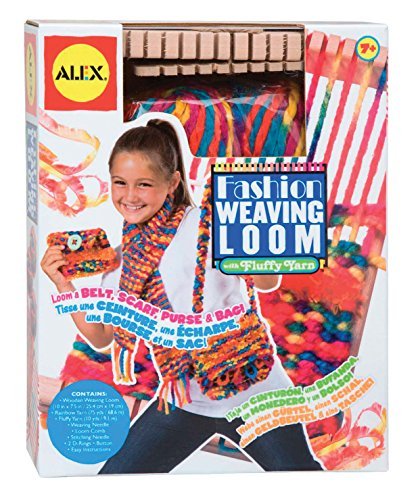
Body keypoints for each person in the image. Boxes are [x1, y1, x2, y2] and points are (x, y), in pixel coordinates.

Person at [41, 118, 323, 473]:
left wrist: (254, 239)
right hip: (186, 400)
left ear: (172, 183)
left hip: (257, 394)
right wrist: (63, 284)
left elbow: (267, 282)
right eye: (120, 183)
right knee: (115, 479)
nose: (129, 196)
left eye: (144, 184)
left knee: (300, 476)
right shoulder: (122, 262)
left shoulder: (206, 225)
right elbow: (101, 336)